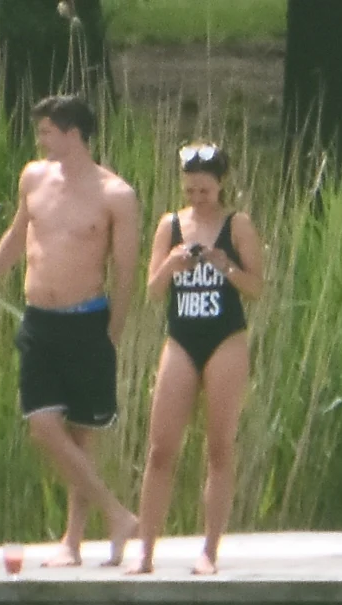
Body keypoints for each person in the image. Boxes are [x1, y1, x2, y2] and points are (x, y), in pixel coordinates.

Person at [0, 94, 140, 568]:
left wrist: (111, 334)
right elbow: (16, 238)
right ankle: (117, 514)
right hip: (40, 320)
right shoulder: (33, 177)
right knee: (42, 427)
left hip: (87, 321)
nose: (41, 139)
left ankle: (73, 543)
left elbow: (126, 272)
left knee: (82, 438)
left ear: (73, 133)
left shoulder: (116, 195)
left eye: (47, 131)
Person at [128, 143, 265, 575]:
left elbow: (258, 287)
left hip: (225, 336)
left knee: (219, 445)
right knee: (160, 448)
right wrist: (170, 265)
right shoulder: (170, 225)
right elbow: (151, 291)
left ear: (220, 185)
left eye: (204, 190)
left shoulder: (237, 224)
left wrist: (225, 266)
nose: (197, 198)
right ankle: (145, 551)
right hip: (181, 336)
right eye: (190, 190)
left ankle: (209, 550)